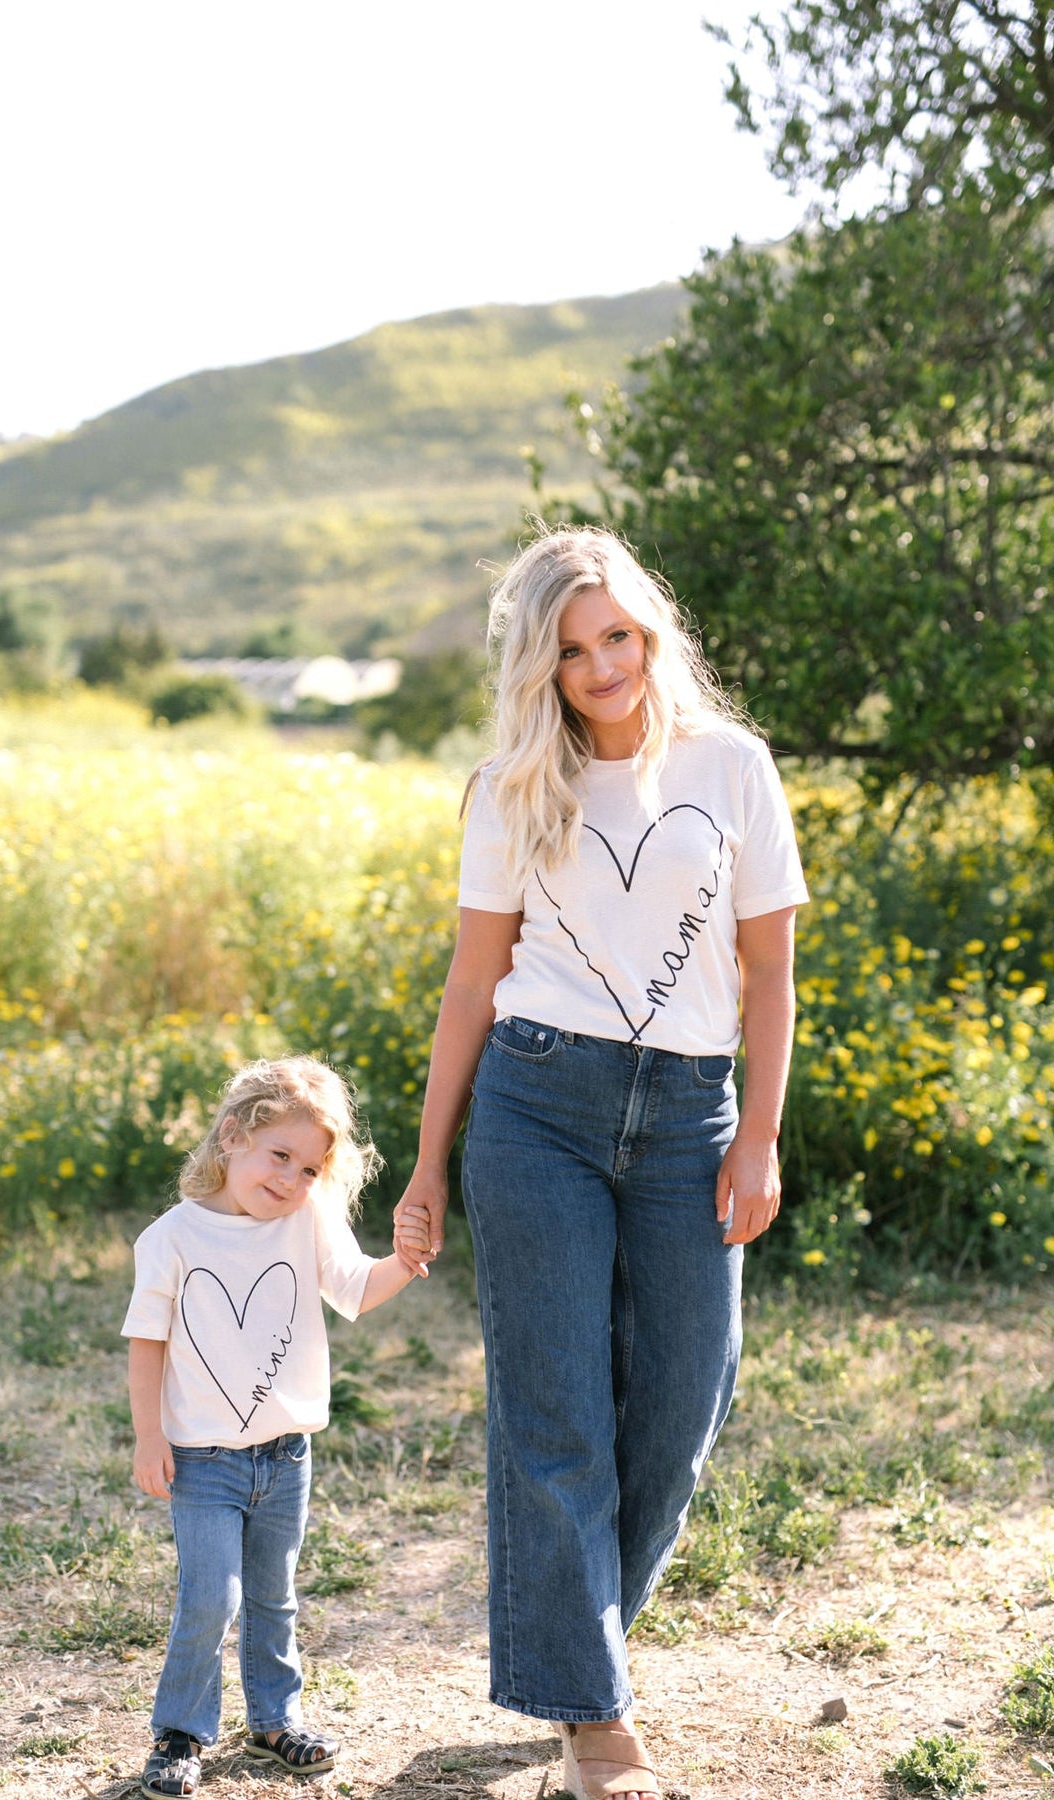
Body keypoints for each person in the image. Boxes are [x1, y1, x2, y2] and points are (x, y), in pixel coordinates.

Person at [392, 525, 809, 1800]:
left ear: (652, 631)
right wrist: (427, 1166)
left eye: (618, 635)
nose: (602, 666)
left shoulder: (731, 767)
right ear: (542, 668)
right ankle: (595, 1714)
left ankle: (576, 1650)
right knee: (557, 1412)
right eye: (571, 651)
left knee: (687, 1394)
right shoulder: (514, 786)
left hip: (690, 1116)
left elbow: (771, 971)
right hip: (538, 1106)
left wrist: (759, 1135)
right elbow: (473, 981)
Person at [124, 1055, 421, 1800]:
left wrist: (407, 1260)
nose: (291, 1179)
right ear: (233, 1137)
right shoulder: (171, 1238)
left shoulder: (305, 1221)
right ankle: (180, 1732)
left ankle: (275, 1719)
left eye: (310, 1168)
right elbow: (146, 1342)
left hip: (287, 1457)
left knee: (273, 1595)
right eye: (279, 1155)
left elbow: (355, 1289)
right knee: (210, 1599)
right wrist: (149, 1438)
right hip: (202, 1460)